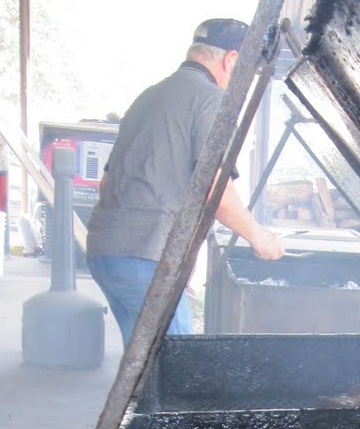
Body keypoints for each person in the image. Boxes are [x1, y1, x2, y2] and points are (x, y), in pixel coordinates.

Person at [86, 18, 283, 345]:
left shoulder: (147, 97)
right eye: (245, 70)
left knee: (142, 370)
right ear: (231, 60)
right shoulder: (211, 99)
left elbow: (105, 185)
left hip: (104, 251)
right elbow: (215, 187)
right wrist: (258, 235)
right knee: (177, 370)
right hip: (145, 257)